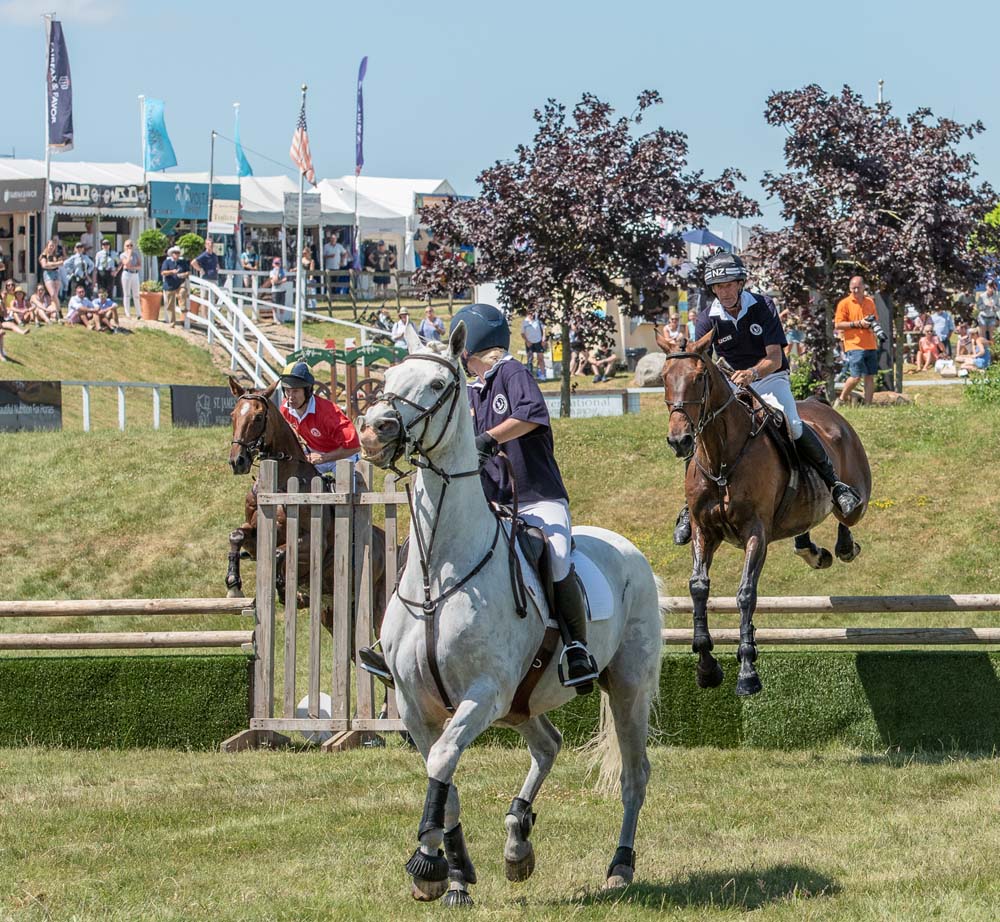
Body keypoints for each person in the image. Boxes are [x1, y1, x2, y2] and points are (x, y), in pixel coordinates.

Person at [672, 252, 862, 546]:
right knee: (701, 432)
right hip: (732, 384)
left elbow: (775, 357)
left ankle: (835, 485)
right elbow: (700, 362)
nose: (723, 292)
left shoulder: (762, 306)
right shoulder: (706, 317)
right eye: (718, 287)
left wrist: (752, 373)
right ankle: (689, 508)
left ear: (740, 283)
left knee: (793, 425)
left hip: (770, 378)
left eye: (728, 285)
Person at [278, 361, 360, 473]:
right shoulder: (285, 409)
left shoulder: (328, 413)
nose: (291, 397)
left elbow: (354, 447)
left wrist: (323, 458)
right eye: (287, 391)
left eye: (296, 391)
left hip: (342, 455)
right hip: (315, 454)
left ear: (307, 391)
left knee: (345, 485)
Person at [834, 276, 880, 406]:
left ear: (863, 287)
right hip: (854, 344)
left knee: (870, 376)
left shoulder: (870, 302)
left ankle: (868, 405)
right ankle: (841, 400)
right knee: (855, 376)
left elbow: (876, 320)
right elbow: (838, 324)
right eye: (853, 288)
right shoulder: (844, 303)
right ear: (849, 288)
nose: (855, 290)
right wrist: (858, 324)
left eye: (858, 287)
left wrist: (872, 326)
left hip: (870, 343)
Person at [38, 238, 65, 315]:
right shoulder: (43, 255)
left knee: (55, 295)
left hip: (56, 273)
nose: (51, 247)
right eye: (50, 246)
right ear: (47, 246)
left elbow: (62, 262)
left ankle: (56, 313)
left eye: (53, 246)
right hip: (48, 274)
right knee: (52, 294)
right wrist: (56, 264)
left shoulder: (56, 255)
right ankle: (59, 311)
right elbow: (44, 265)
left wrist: (50, 264)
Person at [160, 246, 185, 325]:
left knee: (183, 291)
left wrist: (184, 274)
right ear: (172, 254)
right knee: (170, 304)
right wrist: (172, 272)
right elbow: (163, 272)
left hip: (179, 283)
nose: (177, 254)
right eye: (175, 253)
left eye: (178, 253)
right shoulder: (167, 262)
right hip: (169, 284)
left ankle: (182, 307)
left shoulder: (182, 262)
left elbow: (188, 271)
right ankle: (172, 322)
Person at [118, 239, 142, 319]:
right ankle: (127, 313)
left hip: (135, 274)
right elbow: (126, 263)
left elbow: (139, 265)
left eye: (131, 245)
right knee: (127, 294)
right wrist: (129, 254)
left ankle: (139, 313)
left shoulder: (136, 254)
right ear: (124, 247)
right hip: (127, 274)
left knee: (136, 294)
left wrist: (133, 267)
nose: (129, 247)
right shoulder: (122, 255)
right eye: (127, 245)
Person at [521, 310, 547, 379]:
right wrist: (527, 341)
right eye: (530, 314)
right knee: (530, 359)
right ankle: (530, 376)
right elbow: (522, 334)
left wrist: (543, 338)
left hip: (538, 341)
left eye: (533, 313)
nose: (532, 315)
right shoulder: (525, 322)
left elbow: (543, 330)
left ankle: (543, 374)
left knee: (540, 358)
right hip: (529, 342)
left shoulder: (538, 321)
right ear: (527, 314)